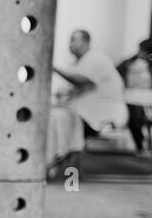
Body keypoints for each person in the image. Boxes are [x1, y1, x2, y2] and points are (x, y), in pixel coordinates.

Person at [46, 29, 129, 168]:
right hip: (83, 112)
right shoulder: (79, 63)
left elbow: (81, 81)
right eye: (70, 40)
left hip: (101, 115)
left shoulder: (96, 58)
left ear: (86, 42)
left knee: (56, 119)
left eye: (75, 40)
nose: (71, 44)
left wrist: (53, 68)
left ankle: (56, 162)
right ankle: (56, 160)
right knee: (54, 117)